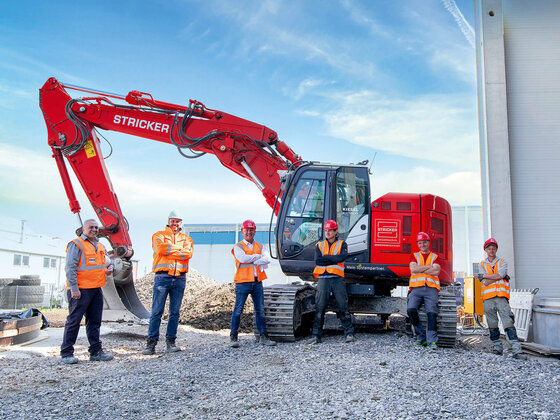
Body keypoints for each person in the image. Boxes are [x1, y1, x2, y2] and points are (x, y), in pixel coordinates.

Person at [60, 219, 114, 364]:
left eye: (96, 227)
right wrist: (74, 288)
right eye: (91, 227)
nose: (94, 230)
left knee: (94, 322)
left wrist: (109, 269)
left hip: (96, 289)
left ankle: (96, 352)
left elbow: (106, 262)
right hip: (80, 290)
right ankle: (66, 353)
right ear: (83, 229)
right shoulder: (76, 244)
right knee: (74, 321)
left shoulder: (100, 245)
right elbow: (70, 268)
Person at [142, 210, 193, 355]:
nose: (175, 223)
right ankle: (151, 343)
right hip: (162, 277)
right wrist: (178, 250)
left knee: (175, 312)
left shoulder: (187, 239)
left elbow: (188, 254)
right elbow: (160, 249)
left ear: (180, 222)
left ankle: (171, 342)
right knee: (157, 311)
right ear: (168, 221)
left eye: (177, 221)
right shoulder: (159, 235)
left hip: (180, 278)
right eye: (173, 221)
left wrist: (170, 250)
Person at [230, 219, 276, 348]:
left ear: (255, 231)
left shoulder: (260, 246)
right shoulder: (238, 247)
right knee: (238, 310)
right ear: (242, 231)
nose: (249, 232)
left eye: (251, 230)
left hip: (257, 282)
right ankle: (233, 336)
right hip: (243, 282)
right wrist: (257, 257)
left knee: (260, 310)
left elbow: (267, 259)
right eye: (247, 230)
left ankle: (263, 336)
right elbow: (242, 259)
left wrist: (255, 258)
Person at [307, 219, 354, 344]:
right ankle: (316, 335)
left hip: (337, 278)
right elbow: (318, 261)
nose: (327, 233)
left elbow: (342, 257)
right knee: (320, 306)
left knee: (342, 305)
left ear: (335, 231)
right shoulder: (319, 245)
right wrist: (334, 259)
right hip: (323, 279)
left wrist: (326, 258)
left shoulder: (342, 244)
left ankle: (349, 332)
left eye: (330, 231)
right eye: (326, 231)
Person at [478, 238, 526, 360]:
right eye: (489, 248)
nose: (491, 250)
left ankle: (516, 350)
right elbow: (487, 282)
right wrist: (496, 277)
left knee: (508, 322)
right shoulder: (481, 264)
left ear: (496, 249)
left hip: (501, 297)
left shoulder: (502, 261)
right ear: (486, 250)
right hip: (488, 298)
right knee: (492, 324)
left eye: (493, 248)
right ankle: (497, 348)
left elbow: (500, 274)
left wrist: (485, 276)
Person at [407, 232, 441, 350]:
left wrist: (420, 269)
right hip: (416, 288)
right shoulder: (414, 255)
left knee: (431, 313)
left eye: (424, 242)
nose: (422, 245)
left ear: (428, 242)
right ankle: (421, 336)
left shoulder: (435, 256)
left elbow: (436, 272)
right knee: (411, 309)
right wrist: (428, 267)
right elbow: (413, 269)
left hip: (431, 288)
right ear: (418, 244)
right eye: (420, 243)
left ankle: (432, 341)